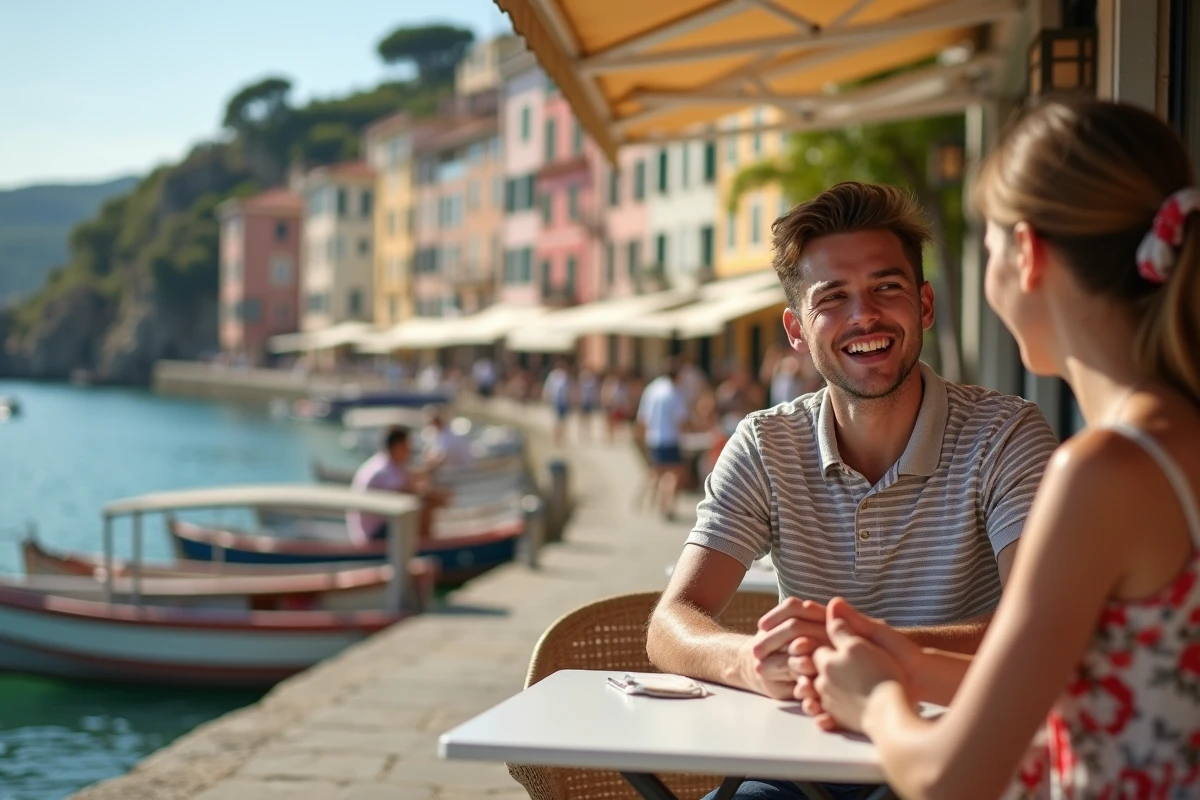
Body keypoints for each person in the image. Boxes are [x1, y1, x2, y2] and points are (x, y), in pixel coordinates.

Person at [804, 101, 1200, 799]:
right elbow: (1090, 681)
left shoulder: (1102, 471)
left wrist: (872, 703)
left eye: (985, 246)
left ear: (1026, 253)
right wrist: (910, 661)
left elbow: (948, 777)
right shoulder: (1173, 440)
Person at [646, 181, 1059, 800]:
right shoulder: (763, 444)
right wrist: (756, 662)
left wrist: (856, 653)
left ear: (923, 305)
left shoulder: (1006, 434)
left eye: (885, 288)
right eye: (833, 298)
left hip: (956, 751)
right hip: (805, 762)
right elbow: (670, 623)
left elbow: (1037, 630)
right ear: (796, 329)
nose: (863, 315)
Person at [347, 426, 445, 544]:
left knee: (425, 504)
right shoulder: (384, 469)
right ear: (398, 446)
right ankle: (425, 547)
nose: (409, 451)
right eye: (407, 446)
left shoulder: (384, 463)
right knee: (425, 506)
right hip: (373, 535)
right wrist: (436, 498)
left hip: (369, 530)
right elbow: (409, 494)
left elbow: (409, 483)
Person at [636, 358, 690, 521]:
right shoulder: (674, 392)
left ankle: (644, 501)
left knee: (657, 471)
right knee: (674, 474)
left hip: (653, 437)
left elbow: (643, 417)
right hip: (670, 437)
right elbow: (681, 419)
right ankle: (667, 505)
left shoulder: (652, 389)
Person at [542, 360, 573, 446]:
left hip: (564, 402)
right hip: (556, 401)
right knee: (556, 421)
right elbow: (549, 387)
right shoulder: (553, 375)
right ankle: (556, 438)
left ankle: (562, 438)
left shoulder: (566, 376)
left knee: (563, 421)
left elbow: (569, 389)